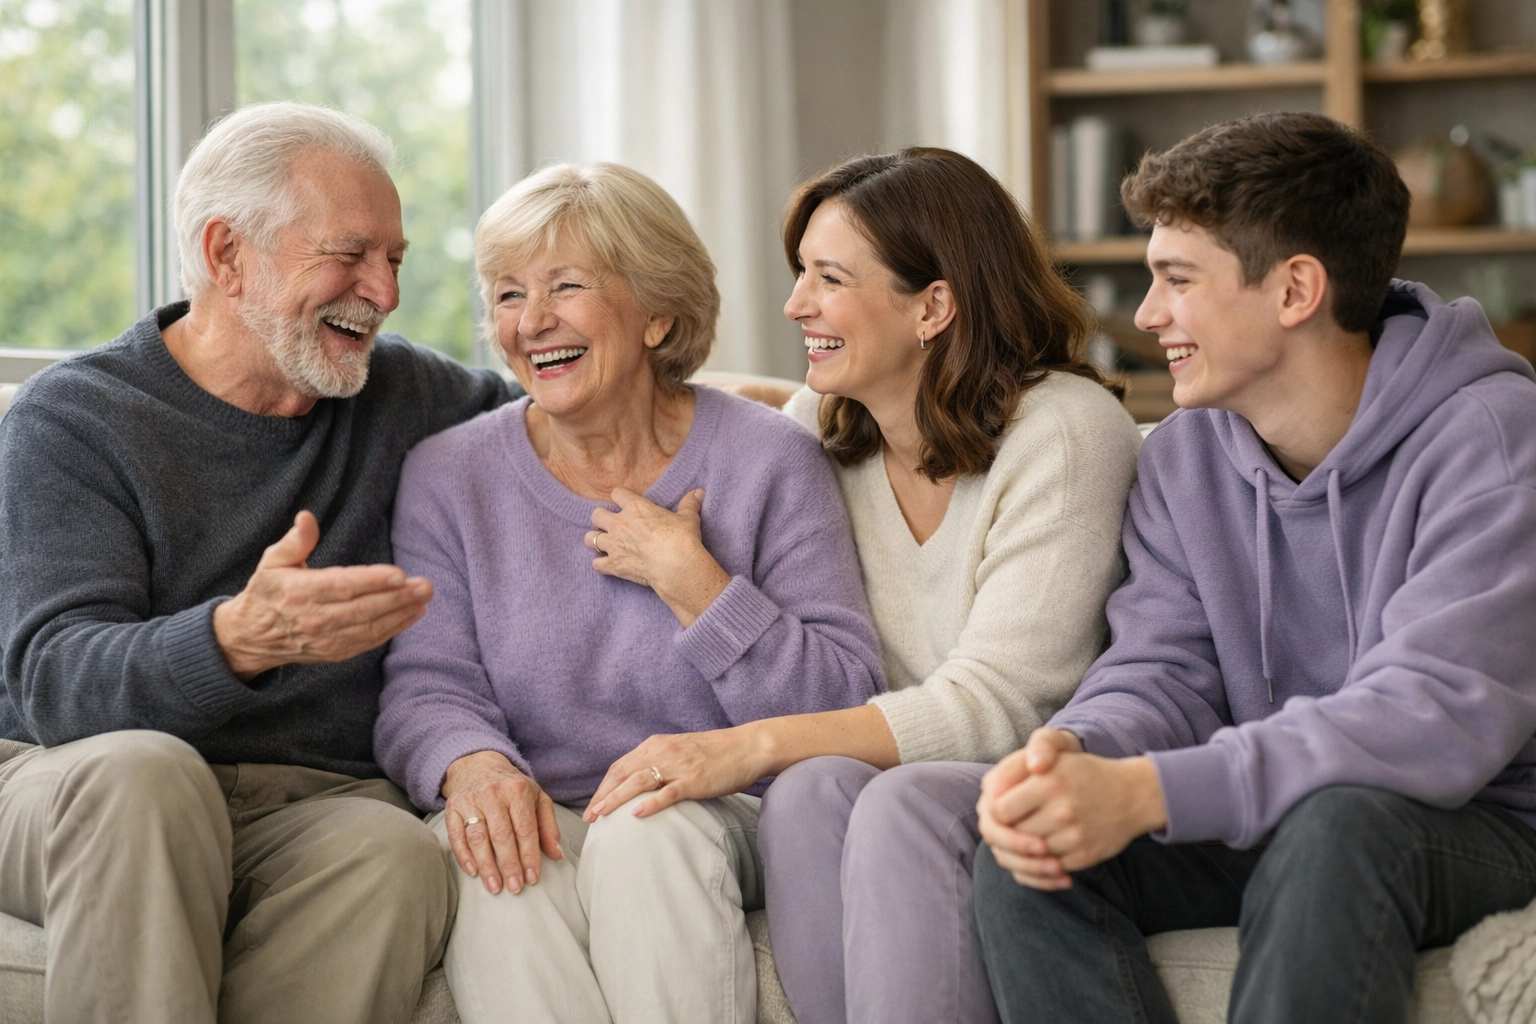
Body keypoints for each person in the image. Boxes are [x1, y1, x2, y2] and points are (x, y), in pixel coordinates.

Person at [971, 111, 1536, 1024]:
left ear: (1295, 290)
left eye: (1176, 279)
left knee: (1341, 826)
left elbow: (1428, 718)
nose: (1147, 314)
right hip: (1285, 800)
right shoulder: (1183, 459)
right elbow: (1164, 670)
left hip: (1484, 820)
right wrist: (1078, 753)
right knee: (1030, 851)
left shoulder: (1492, 440)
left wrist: (1154, 790)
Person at [583, 147, 1142, 1024]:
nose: (795, 303)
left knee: (864, 794)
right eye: (801, 272)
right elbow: (728, 417)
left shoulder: (1066, 434)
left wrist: (752, 745)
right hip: (886, 777)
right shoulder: (824, 423)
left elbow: (1004, 705)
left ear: (933, 306)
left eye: (829, 278)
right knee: (810, 792)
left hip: (1039, 772)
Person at [0, 101, 517, 1023]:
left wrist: (797, 405)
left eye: (394, 260)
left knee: (392, 854)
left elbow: (581, 409)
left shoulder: (404, 393)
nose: (385, 293)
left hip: (302, 803)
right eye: (350, 254)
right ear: (227, 254)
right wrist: (235, 639)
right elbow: (54, 682)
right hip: (75, 780)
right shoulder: (74, 419)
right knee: (148, 779)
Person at [373, 161, 885, 1024]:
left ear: (658, 313)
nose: (531, 322)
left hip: (719, 808)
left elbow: (845, 697)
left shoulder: (769, 461)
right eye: (506, 294)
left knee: (645, 831)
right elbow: (425, 685)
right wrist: (475, 765)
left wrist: (698, 586)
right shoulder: (448, 476)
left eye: (565, 287)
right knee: (490, 855)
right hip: (547, 800)